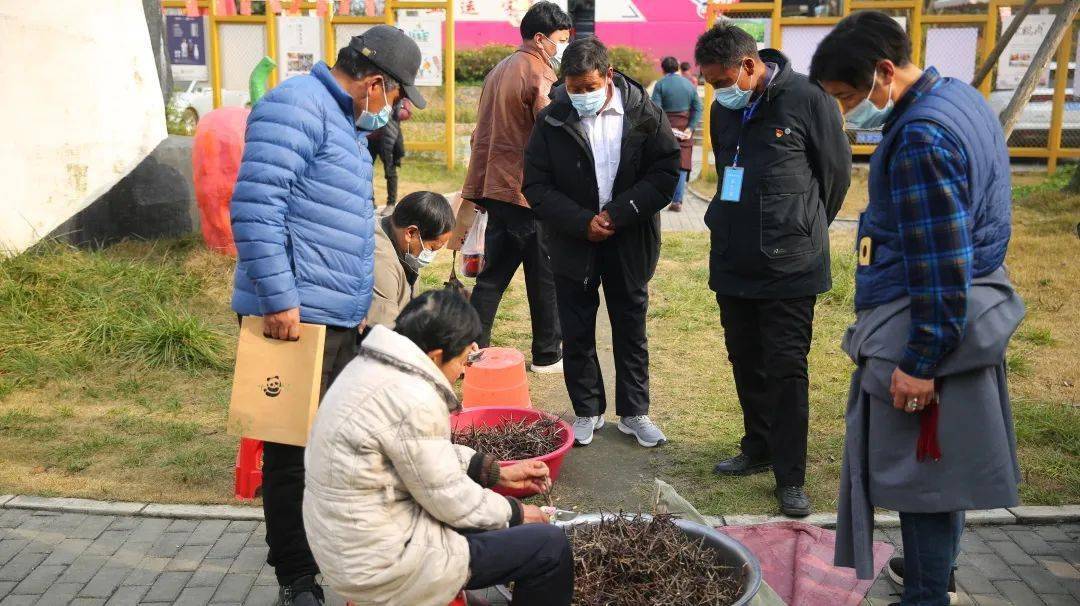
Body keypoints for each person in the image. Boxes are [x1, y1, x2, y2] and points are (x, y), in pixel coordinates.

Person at [811, 12, 1023, 606]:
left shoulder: (921, 138)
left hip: (927, 320)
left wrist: (921, 359)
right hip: (965, 307)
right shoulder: (960, 97)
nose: (848, 112)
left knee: (919, 476)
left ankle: (927, 593)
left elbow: (939, 260)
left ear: (884, 71)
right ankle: (937, 570)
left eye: (850, 96)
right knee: (943, 465)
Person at [229, 25, 425, 606]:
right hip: (296, 318)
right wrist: (279, 298)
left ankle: (330, 554)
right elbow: (255, 203)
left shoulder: (341, 120)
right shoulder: (297, 105)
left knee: (332, 447)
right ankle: (296, 579)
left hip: (336, 318)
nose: (394, 109)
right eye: (395, 96)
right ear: (374, 84)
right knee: (291, 453)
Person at [304, 290, 574, 606]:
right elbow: (451, 498)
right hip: (384, 562)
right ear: (434, 356)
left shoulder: (371, 366)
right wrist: (517, 513)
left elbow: (422, 457)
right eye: (462, 360)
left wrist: (493, 471)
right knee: (549, 547)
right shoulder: (411, 397)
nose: (463, 371)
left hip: (353, 542)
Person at [695, 23, 850, 517]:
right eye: (712, 84)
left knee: (786, 369)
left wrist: (803, 228)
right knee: (745, 358)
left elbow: (835, 176)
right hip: (735, 258)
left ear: (749, 65)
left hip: (791, 267)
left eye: (722, 81)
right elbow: (727, 171)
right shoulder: (726, 109)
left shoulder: (808, 99)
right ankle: (757, 447)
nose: (719, 92)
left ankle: (790, 475)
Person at [523, 37, 680, 449]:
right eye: (573, 89)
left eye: (589, 88)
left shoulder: (645, 112)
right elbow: (536, 185)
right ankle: (587, 410)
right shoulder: (553, 118)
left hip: (629, 237)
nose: (581, 97)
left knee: (631, 324)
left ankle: (634, 413)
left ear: (608, 76)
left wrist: (621, 211)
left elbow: (665, 173)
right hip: (574, 239)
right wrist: (581, 222)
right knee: (576, 327)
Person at [462, 1, 572, 374]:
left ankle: (474, 348)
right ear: (540, 38)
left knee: (492, 277)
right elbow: (552, 133)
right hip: (527, 191)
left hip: (494, 186)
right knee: (544, 276)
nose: (562, 47)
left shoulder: (499, 69)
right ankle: (547, 353)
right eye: (560, 40)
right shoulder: (540, 73)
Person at [368, 191, 455, 327]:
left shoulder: (404, 247)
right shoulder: (380, 260)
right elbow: (383, 331)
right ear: (411, 233)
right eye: (431, 249)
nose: (431, 256)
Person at [651, 56, 703, 212]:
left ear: (663, 69)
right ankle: (677, 201)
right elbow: (698, 108)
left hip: (666, 129)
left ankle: (661, 198)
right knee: (682, 165)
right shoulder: (689, 84)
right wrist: (690, 128)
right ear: (678, 68)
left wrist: (666, 128)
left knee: (664, 163)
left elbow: (656, 110)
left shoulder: (660, 84)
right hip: (685, 129)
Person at [367, 97, 412, 213]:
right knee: (365, 171)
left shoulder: (397, 91)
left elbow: (406, 112)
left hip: (389, 139)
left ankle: (391, 204)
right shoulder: (372, 88)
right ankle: (369, 201)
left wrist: (392, 111)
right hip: (369, 138)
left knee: (390, 171)